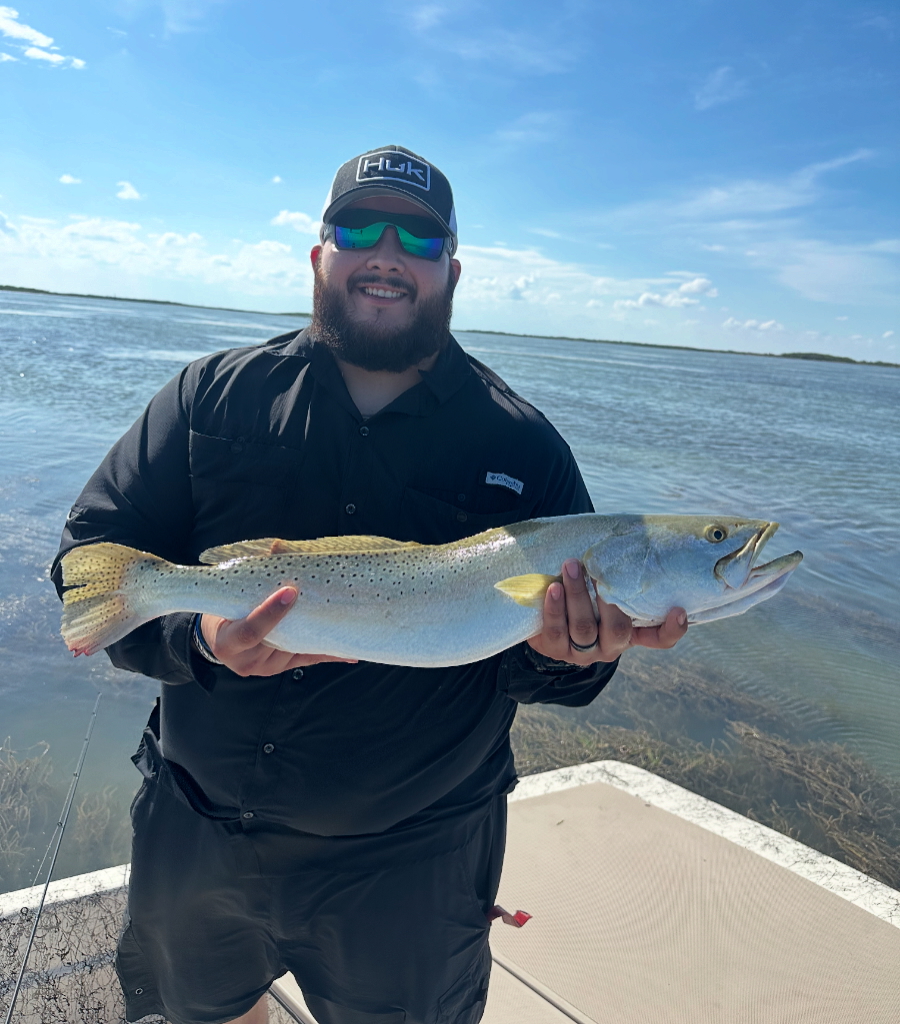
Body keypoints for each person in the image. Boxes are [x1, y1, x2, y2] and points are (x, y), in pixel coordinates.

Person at [53, 145, 687, 1024]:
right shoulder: (210, 397)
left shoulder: (526, 450)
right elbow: (94, 555)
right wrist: (198, 640)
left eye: (419, 237)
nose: (387, 252)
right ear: (321, 255)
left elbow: (542, 671)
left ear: (451, 271)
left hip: (414, 867)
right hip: (197, 835)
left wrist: (572, 655)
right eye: (359, 227)